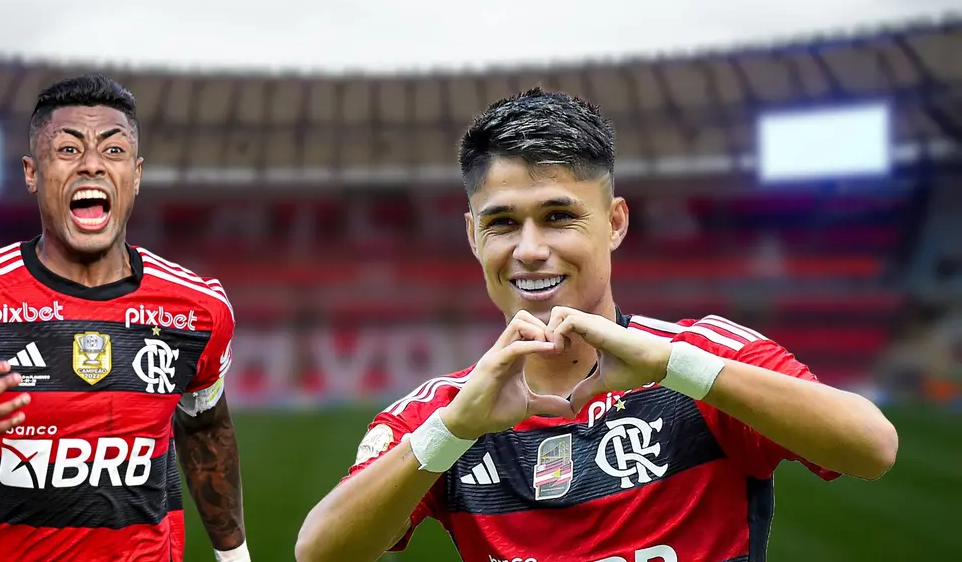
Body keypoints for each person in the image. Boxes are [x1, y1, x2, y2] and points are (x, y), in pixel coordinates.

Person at [295, 88, 899, 562]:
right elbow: (320, 552)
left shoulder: (698, 356)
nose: (530, 249)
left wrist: (673, 367)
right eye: (502, 223)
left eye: (559, 216)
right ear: (473, 235)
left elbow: (872, 448)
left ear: (613, 223)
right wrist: (453, 429)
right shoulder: (445, 412)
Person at [0, 74, 251, 562]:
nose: (93, 166)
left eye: (114, 151)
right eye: (69, 150)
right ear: (32, 172)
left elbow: (206, 429)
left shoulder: (198, 308)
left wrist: (235, 558)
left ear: (136, 175)